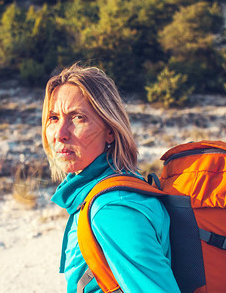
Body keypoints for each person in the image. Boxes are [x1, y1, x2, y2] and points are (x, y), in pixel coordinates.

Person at [41, 64, 180, 293]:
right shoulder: (111, 187)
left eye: (78, 117)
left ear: (110, 130)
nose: (60, 133)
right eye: (54, 118)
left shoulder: (114, 207)